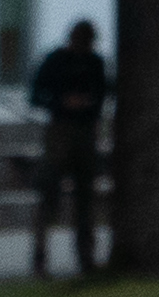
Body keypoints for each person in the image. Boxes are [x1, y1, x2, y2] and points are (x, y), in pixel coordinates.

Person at [28, 16, 115, 279]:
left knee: (86, 198)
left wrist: (87, 104)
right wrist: (62, 102)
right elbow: (36, 97)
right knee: (50, 193)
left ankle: (85, 256)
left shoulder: (95, 64)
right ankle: (41, 256)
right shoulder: (55, 62)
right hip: (60, 131)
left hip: (87, 133)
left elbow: (103, 95)